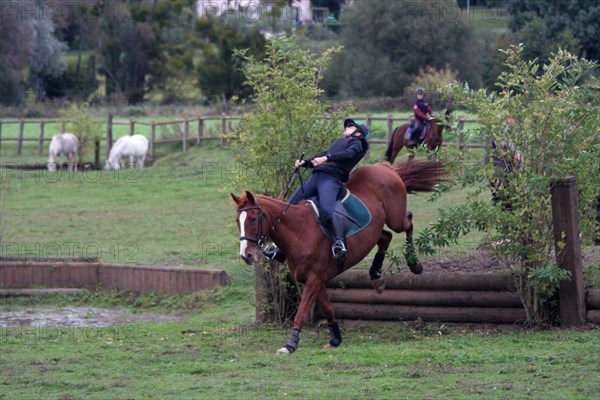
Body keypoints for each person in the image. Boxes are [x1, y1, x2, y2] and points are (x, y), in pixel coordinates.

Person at [265, 119, 369, 263]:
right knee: (289, 206)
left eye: (351, 126)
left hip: (331, 179)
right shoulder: (338, 143)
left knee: (328, 210)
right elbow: (319, 158)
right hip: (316, 177)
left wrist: (326, 158)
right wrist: (305, 163)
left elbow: (348, 155)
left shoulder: (357, 143)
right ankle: (280, 251)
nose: (346, 127)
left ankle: (340, 243)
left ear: (358, 133)